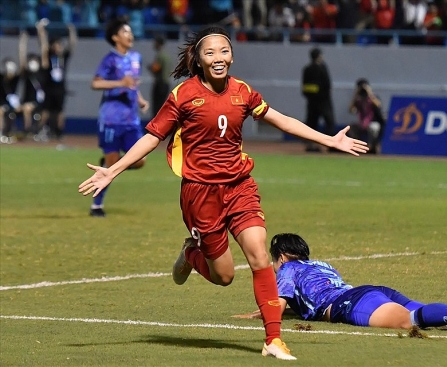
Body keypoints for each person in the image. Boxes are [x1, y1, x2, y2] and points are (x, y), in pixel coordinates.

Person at [78, 25, 368, 360]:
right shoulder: (182, 95)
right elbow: (152, 137)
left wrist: (329, 139)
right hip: (200, 194)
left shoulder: (243, 92)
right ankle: (191, 255)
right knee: (225, 276)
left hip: (240, 186)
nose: (219, 58)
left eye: (224, 51)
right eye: (210, 53)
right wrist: (113, 169)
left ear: (232, 56)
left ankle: (273, 339)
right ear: (198, 60)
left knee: (260, 255)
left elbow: (282, 120)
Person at [234, 233, 447, 334]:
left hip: (350, 304)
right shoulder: (319, 264)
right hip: (372, 292)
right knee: (423, 311)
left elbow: (278, 304)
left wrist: (258, 314)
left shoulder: (287, 270)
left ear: (284, 256)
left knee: (410, 321)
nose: (273, 265)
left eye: (275, 259)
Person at [88, 17, 150, 217]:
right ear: (115, 37)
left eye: (130, 32)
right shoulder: (110, 60)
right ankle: (96, 206)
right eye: (125, 32)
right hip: (111, 120)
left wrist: (139, 99)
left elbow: (132, 84)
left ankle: (110, 163)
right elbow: (96, 84)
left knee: (140, 160)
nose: (130, 35)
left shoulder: (136, 58)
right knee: (112, 166)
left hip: (131, 120)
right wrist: (119, 83)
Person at [36, 18, 77, 142]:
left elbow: (72, 45)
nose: (58, 47)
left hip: (60, 89)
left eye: (60, 45)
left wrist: (71, 31)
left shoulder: (63, 58)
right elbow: (43, 46)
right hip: (49, 88)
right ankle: (40, 130)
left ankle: (59, 133)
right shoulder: (48, 57)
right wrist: (41, 30)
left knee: (60, 112)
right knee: (45, 111)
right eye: (56, 45)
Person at [301, 47, 335, 152]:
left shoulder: (307, 69)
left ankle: (311, 145)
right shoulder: (322, 68)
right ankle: (331, 144)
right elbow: (327, 84)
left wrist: (311, 95)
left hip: (312, 101)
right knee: (329, 121)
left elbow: (305, 87)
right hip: (323, 101)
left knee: (311, 123)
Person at [19, 30, 48, 140]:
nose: (32, 62)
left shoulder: (42, 71)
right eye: (30, 60)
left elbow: (44, 50)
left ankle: (39, 130)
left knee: (46, 112)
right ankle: (28, 130)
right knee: (26, 108)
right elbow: (21, 55)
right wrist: (23, 41)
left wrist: (42, 35)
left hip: (41, 101)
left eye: (34, 60)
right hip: (28, 101)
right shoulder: (26, 72)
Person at [348, 78, 386, 154]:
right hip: (361, 123)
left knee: (373, 128)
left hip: (372, 122)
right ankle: (358, 147)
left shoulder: (373, 97)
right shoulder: (358, 99)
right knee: (351, 128)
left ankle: (372, 146)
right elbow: (351, 110)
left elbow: (378, 105)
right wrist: (355, 95)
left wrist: (369, 93)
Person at [147, 35, 172, 117]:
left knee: (157, 108)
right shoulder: (167, 55)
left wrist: (150, 67)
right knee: (162, 107)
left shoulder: (160, 55)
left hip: (160, 84)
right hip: (166, 83)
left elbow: (156, 68)